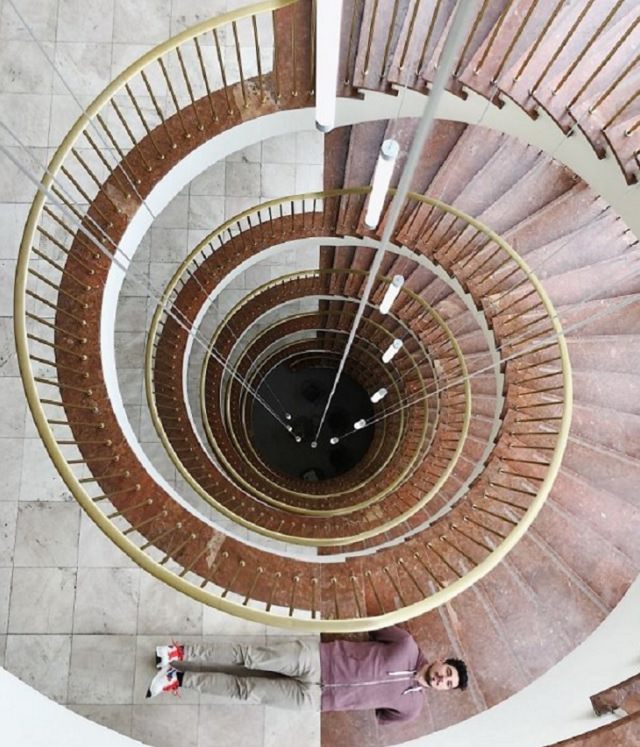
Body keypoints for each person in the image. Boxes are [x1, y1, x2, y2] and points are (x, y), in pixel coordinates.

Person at [146, 626, 468, 724]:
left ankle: (177, 679)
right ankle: (179, 653)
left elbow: (382, 715)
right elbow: (374, 630)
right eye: (448, 672)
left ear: (443, 690)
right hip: (315, 659)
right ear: (442, 661)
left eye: (448, 684)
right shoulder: (407, 644)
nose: (443, 679)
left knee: (246, 690)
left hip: (316, 699)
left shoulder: (411, 709)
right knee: (248, 658)